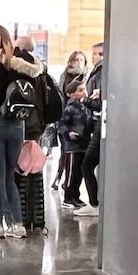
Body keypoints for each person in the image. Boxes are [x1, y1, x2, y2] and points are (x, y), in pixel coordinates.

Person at [0, 24, 44, 239]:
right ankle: (18, 225)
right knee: (10, 174)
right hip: (16, 124)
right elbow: (35, 76)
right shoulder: (18, 62)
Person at [12, 36, 59, 233]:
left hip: (17, 124)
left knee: (19, 171)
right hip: (36, 126)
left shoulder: (13, 66)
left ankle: (20, 219)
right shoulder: (41, 68)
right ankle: (38, 220)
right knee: (35, 170)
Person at [70, 41, 106, 218]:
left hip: (101, 123)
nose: (95, 57)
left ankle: (94, 203)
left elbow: (99, 101)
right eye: (94, 53)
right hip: (96, 123)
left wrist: (85, 100)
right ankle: (94, 202)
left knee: (87, 164)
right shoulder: (97, 71)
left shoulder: (102, 72)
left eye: (99, 54)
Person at [54, 49, 89, 193]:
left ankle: (72, 190)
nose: (78, 63)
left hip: (81, 124)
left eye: (81, 60)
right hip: (67, 119)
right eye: (76, 60)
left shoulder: (87, 75)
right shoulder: (66, 76)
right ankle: (61, 179)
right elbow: (60, 96)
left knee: (78, 159)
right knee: (67, 153)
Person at [59, 78, 93, 210]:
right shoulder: (70, 108)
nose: (84, 92)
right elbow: (61, 125)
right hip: (73, 147)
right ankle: (68, 197)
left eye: (84, 89)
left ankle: (75, 196)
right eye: (80, 90)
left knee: (79, 173)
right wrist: (68, 134)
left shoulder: (85, 107)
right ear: (72, 94)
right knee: (72, 173)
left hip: (83, 145)